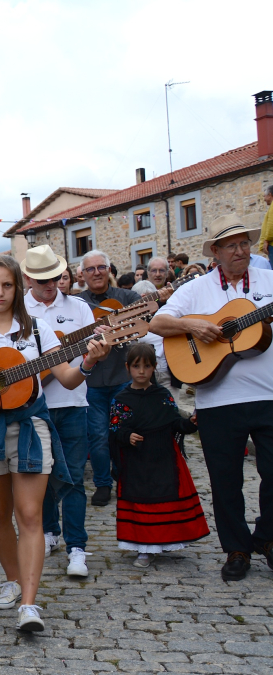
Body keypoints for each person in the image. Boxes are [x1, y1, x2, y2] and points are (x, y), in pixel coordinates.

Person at [0, 255, 109, 632]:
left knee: (31, 515)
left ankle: (29, 604)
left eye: (7, 285)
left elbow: (68, 379)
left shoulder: (37, 330)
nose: (0, 292)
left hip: (30, 427)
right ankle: (12, 579)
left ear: (17, 288)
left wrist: (88, 363)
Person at [150, 213, 273, 580]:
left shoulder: (269, 281)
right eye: (232, 245)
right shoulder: (196, 289)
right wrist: (193, 324)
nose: (241, 250)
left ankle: (266, 538)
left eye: (245, 243)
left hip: (268, 396)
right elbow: (158, 322)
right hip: (217, 401)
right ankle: (237, 549)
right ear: (216, 252)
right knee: (225, 480)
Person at [20, 246, 97, 577]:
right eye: (42, 279)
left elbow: (89, 352)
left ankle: (77, 545)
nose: (50, 284)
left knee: (76, 477)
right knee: (42, 477)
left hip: (73, 403)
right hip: (33, 405)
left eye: (54, 277)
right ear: (28, 278)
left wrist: (94, 357)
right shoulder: (18, 308)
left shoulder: (79, 308)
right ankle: (49, 531)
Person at [108, 343, 209, 568]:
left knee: (165, 495)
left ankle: (164, 540)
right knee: (141, 498)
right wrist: (127, 436)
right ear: (128, 368)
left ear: (154, 368)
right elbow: (115, 430)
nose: (141, 371)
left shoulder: (162, 395)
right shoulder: (122, 398)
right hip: (136, 461)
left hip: (164, 456)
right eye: (136, 366)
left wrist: (190, 424)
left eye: (147, 366)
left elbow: (175, 422)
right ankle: (144, 549)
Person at [77, 250, 142, 507]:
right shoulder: (77, 303)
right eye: (90, 269)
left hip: (122, 377)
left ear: (109, 270)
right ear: (82, 274)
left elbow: (145, 314)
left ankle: (128, 481)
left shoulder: (126, 297)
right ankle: (103, 484)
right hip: (91, 382)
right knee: (99, 436)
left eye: (101, 267)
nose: (96, 273)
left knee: (125, 433)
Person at [259, 185, 273, 254]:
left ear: (270, 195)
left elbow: (271, 224)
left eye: (265, 196)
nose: (264, 199)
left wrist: (266, 240)